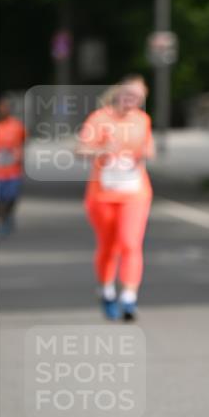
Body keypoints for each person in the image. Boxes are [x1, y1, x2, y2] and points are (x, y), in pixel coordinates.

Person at [76, 75, 154, 320]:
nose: (133, 101)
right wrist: (102, 151)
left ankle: (129, 298)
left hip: (135, 192)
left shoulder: (143, 120)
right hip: (102, 194)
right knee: (109, 247)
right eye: (129, 94)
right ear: (118, 92)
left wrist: (140, 156)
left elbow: (148, 150)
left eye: (139, 98)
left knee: (130, 243)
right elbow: (80, 149)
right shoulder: (99, 119)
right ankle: (107, 290)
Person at [0, 95, 26, 238]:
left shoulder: (17, 126)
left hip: (13, 170)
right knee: (0, 198)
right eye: (1, 107)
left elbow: (24, 142)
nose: (3, 109)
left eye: (6, 107)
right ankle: (3, 220)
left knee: (11, 197)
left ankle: (8, 217)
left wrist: (20, 157)